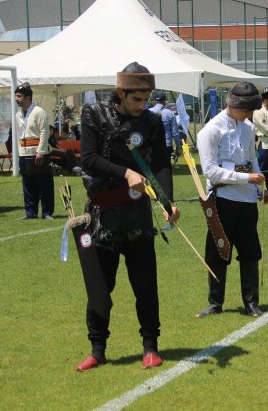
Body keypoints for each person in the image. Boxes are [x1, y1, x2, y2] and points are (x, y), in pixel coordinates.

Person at [74, 62, 180, 371]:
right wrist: (126, 172)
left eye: (146, 99)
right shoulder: (94, 114)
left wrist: (167, 201)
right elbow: (89, 159)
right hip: (102, 216)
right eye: (136, 99)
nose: (142, 106)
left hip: (137, 216)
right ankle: (97, 349)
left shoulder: (153, 122)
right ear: (120, 93)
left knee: (145, 285)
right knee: (100, 286)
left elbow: (160, 164)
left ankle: (150, 346)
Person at [195, 82, 268, 320]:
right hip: (222, 200)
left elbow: (252, 159)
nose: (250, 115)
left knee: (250, 252)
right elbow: (210, 171)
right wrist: (245, 177)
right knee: (218, 251)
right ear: (235, 105)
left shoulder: (248, 128)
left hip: (247, 201)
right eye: (247, 109)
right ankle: (215, 302)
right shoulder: (210, 130)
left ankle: (251, 303)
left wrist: (261, 188)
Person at [15, 82, 55, 220]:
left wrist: (41, 152)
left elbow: (45, 133)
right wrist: (19, 153)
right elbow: (19, 135)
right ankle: (30, 213)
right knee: (28, 185)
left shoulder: (39, 112)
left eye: (19, 96)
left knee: (44, 184)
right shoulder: (18, 114)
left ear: (28, 97)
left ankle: (47, 212)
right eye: (16, 96)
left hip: (38, 154)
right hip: (24, 154)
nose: (16, 98)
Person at [149, 92, 182, 161]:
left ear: (155, 101)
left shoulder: (148, 112)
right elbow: (175, 133)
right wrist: (178, 147)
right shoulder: (170, 113)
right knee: (165, 167)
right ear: (164, 101)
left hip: (152, 145)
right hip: (166, 145)